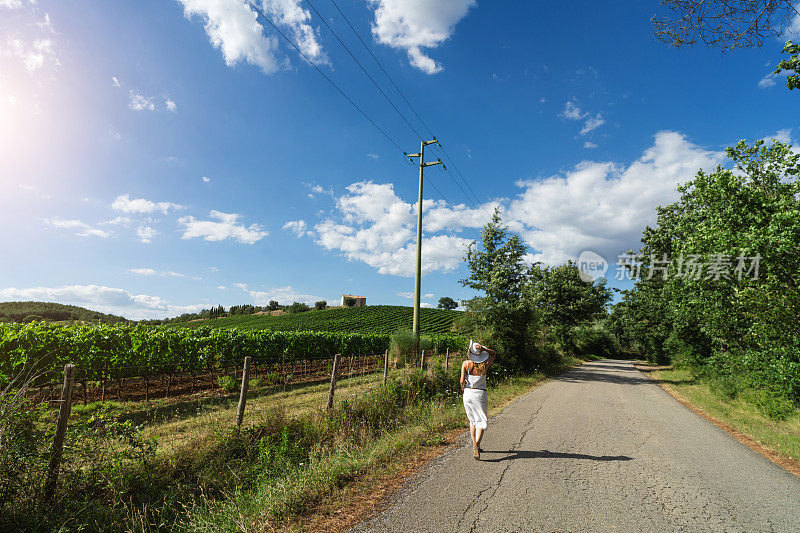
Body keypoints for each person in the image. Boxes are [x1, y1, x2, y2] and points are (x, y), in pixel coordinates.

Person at [460, 340, 496, 460]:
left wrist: (463, 388)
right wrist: (485, 350)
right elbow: (494, 354)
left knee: (472, 420)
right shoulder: (484, 365)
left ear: (470, 352)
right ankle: (477, 444)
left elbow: (461, 380)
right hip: (480, 394)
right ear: (481, 354)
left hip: (468, 393)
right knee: (481, 420)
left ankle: (474, 444)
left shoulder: (465, 364)